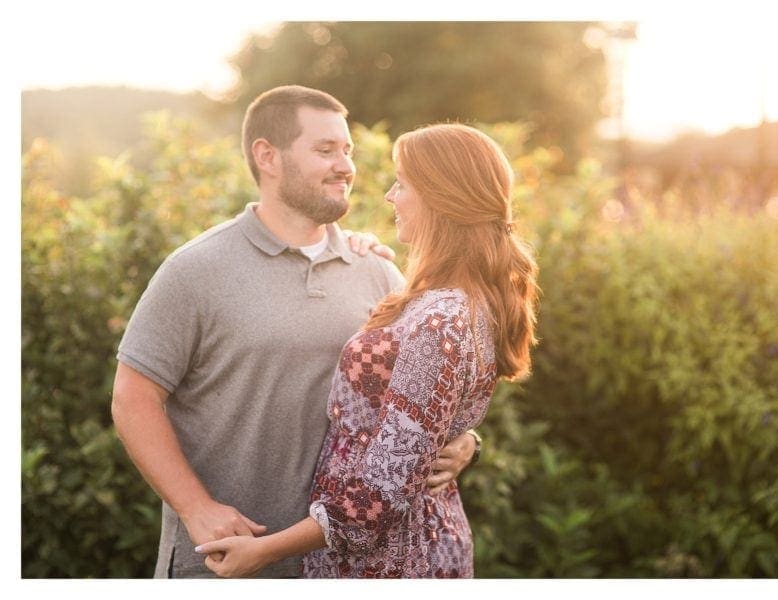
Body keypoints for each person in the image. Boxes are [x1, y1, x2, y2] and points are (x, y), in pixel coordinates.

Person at [111, 85, 478, 578]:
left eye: (347, 151)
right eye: (325, 150)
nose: (345, 166)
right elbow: (133, 398)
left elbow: (417, 396)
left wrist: (465, 440)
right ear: (268, 156)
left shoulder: (379, 273)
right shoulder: (195, 270)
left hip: (344, 568)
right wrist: (196, 508)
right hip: (226, 563)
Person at [194, 123, 539, 578]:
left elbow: (379, 498)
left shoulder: (441, 321)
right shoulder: (451, 301)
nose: (390, 197)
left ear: (442, 197)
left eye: (403, 184)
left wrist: (264, 551)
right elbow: (423, 419)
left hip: (390, 562)